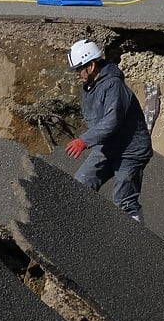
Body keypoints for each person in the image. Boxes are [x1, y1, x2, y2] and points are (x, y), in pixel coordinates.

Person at [64, 39, 153, 223]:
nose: (77, 74)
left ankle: (138, 244)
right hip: (108, 146)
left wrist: (84, 140)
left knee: (123, 201)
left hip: (131, 151)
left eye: (79, 69)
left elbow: (111, 121)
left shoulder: (114, 86)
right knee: (80, 184)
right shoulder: (89, 87)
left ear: (91, 65)